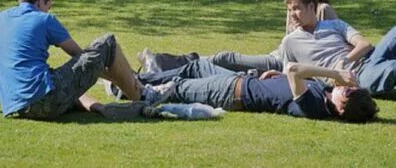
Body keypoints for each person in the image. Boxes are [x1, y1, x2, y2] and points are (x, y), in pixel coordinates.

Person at [0, 0, 170, 120]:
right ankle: (142, 97)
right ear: (41, 2)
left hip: (17, 107)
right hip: (46, 101)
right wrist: (121, 75)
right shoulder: (45, 20)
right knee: (107, 43)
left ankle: (101, 106)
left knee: (55, 76)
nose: (48, 10)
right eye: (48, 6)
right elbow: (81, 58)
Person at [138, 0, 338, 75]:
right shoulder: (293, 9)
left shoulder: (323, 11)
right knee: (223, 63)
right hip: (278, 56)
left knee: (227, 60)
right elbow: (287, 41)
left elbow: (336, 48)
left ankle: (162, 64)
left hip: (286, 64)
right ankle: (163, 64)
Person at [134, 59, 378, 123]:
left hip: (231, 92)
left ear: (343, 105)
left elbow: (293, 69)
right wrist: (279, 77)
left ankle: (128, 88)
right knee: (196, 66)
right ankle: (136, 78)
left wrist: (335, 75)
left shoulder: (315, 107)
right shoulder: (325, 92)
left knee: (177, 87)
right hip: (238, 80)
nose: (344, 86)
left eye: (347, 90)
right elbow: (290, 76)